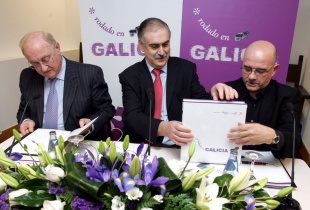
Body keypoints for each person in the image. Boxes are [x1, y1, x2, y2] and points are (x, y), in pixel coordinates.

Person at [119, 17, 237, 146]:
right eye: (154, 46)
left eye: (165, 44)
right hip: (143, 144)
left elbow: (201, 104)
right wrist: (164, 128)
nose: (162, 52)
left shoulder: (186, 69)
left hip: (180, 145)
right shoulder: (130, 76)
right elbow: (132, 117)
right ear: (141, 45)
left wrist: (214, 92)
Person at [17, 31, 115, 140]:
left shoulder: (90, 74)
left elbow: (106, 109)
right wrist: (26, 121)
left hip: (78, 142)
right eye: (35, 64)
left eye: (46, 59)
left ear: (57, 48)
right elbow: (23, 110)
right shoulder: (28, 76)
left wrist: (90, 123)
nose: (43, 68)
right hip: (40, 144)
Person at [226, 40, 302, 159]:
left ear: (274, 70)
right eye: (247, 68)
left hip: (269, 165)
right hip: (228, 160)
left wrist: (272, 136)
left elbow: (294, 141)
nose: (251, 76)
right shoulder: (226, 91)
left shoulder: (288, 96)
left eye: (260, 71)